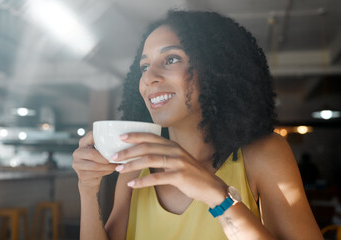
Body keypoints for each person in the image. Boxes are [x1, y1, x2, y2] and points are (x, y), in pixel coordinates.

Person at [72, 10, 323, 240]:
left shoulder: (263, 154)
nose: (148, 77)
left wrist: (216, 196)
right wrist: (87, 189)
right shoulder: (136, 167)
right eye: (144, 66)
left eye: (171, 59)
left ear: (215, 69)